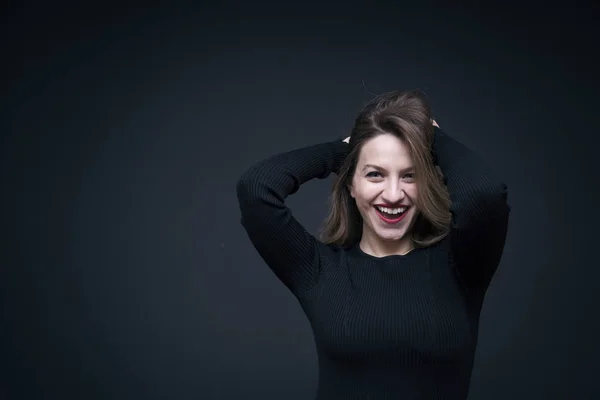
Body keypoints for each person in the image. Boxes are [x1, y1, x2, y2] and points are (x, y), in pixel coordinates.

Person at [236, 89, 510, 399]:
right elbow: (257, 188)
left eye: (410, 175)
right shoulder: (319, 270)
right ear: (351, 184)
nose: (393, 194)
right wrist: (348, 151)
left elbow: (485, 195)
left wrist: (432, 137)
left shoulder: (461, 265)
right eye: (375, 175)